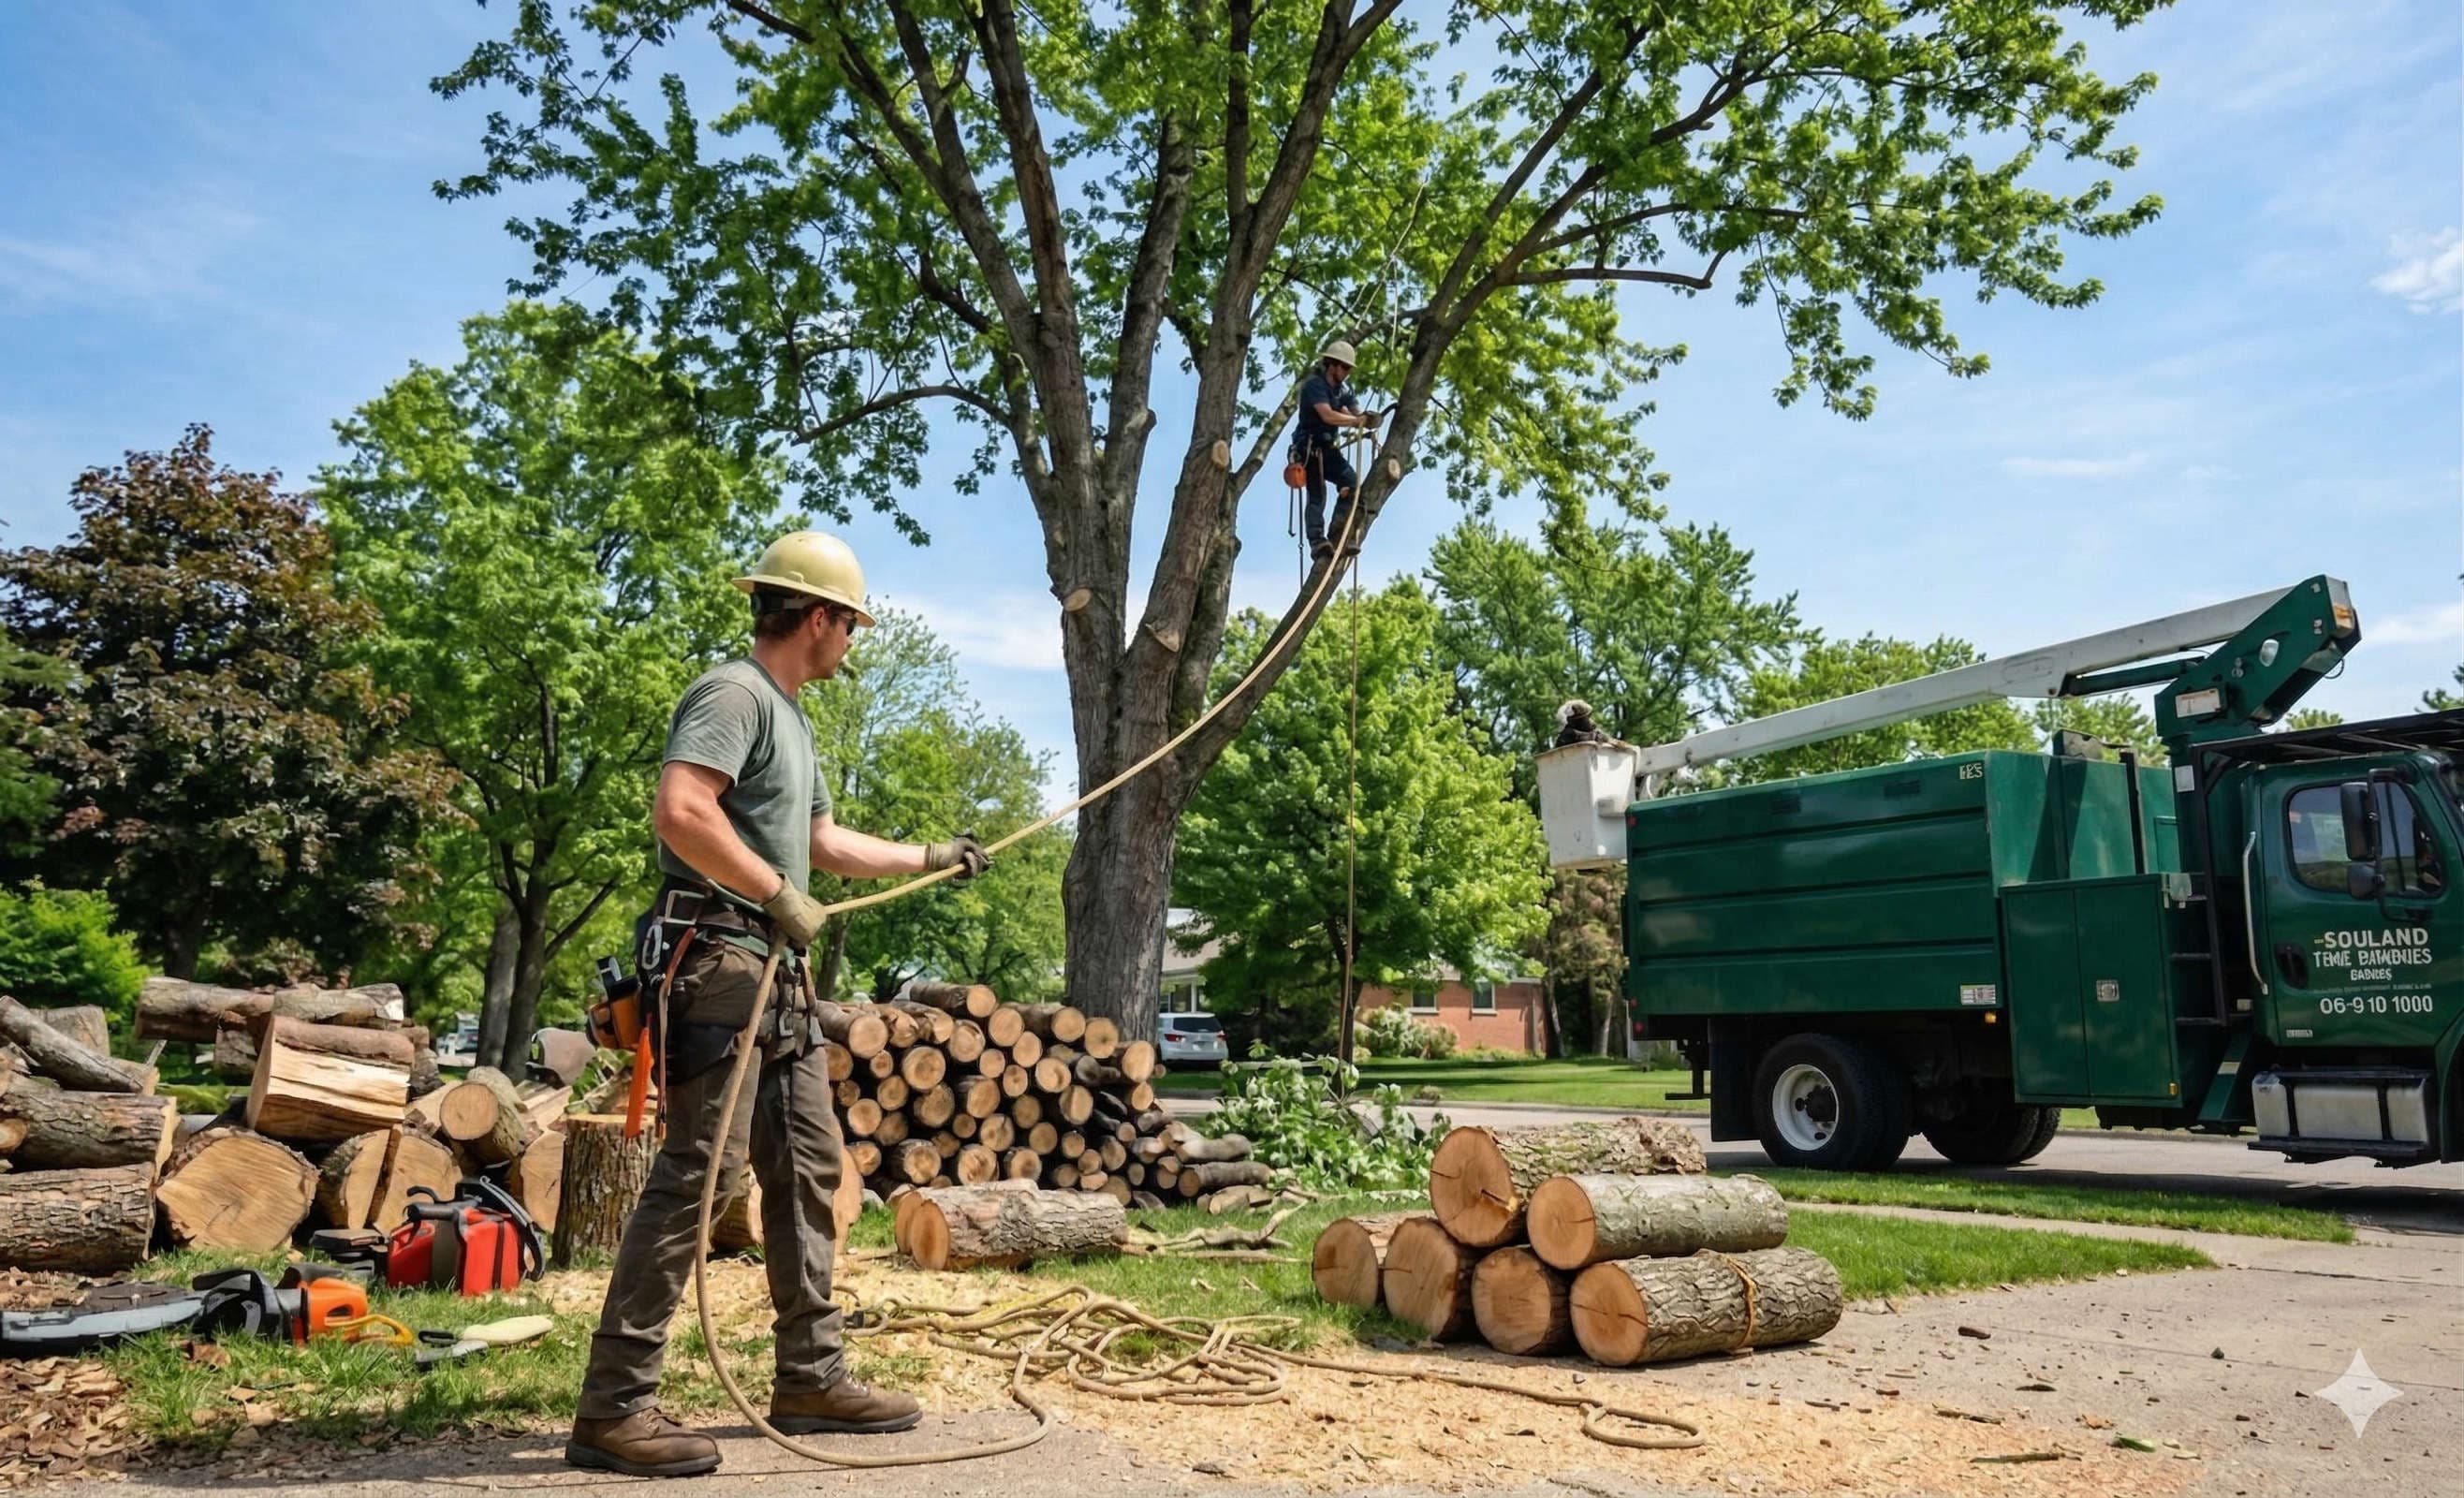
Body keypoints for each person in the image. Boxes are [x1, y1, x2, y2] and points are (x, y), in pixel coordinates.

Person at [565, 529, 991, 1479]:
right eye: (851, 624)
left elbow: (826, 842)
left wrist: (931, 855)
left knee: (805, 1167)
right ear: (819, 616)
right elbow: (682, 808)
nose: (854, 641)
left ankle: (808, 1374)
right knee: (693, 1180)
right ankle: (613, 1406)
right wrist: (771, 889)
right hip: (718, 964)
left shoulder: (793, 720)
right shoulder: (734, 694)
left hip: (774, 975)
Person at [1293, 338, 1381, 561]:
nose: (1346, 371)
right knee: (1317, 495)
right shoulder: (1315, 386)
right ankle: (1317, 542)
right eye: (1343, 367)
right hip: (1309, 449)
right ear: (1331, 364)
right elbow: (1328, 415)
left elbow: (1351, 411)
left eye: (1348, 368)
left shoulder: (1343, 390)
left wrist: (1366, 419)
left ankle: (1340, 534)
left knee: (1352, 484)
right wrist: (1356, 421)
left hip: (1329, 450)